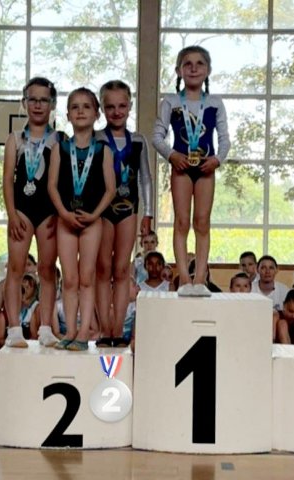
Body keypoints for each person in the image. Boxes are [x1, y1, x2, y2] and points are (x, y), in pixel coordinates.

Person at [153, 45, 230, 297]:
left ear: (208, 70)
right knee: (182, 221)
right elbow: (157, 136)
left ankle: (200, 279)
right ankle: (184, 278)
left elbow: (225, 138)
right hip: (182, 168)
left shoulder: (215, 103)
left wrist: (217, 159)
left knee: (202, 222)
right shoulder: (171, 102)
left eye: (200, 64)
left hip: (206, 168)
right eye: (188, 64)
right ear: (179, 71)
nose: (194, 68)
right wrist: (172, 155)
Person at [48, 87, 116, 351]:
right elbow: (52, 186)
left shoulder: (102, 150)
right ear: (67, 114)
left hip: (92, 221)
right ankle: (70, 330)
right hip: (65, 220)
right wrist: (64, 214)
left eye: (86, 106)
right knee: (69, 279)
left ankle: (85, 331)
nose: (80, 111)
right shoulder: (60, 148)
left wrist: (94, 215)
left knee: (87, 277)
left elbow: (110, 189)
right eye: (75, 107)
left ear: (97, 114)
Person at [95, 80, 154, 348]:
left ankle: (118, 329)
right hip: (102, 211)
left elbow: (146, 179)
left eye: (122, 106)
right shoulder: (96, 139)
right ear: (102, 108)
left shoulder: (138, 141)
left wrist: (148, 213)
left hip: (129, 209)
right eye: (110, 107)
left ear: (130, 106)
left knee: (121, 269)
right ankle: (103, 329)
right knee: (102, 269)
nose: (116, 112)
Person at [2, 77, 60, 348]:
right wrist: (12, 214)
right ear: (24, 103)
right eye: (33, 100)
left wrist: (59, 214)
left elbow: (62, 182)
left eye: (43, 100)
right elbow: (7, 180)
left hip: (49, 212)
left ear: (52, 104)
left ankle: (46, 328)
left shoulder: (59, 140)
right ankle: (14, 329)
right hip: (22, 210)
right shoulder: (14, 139)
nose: (38, 105)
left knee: (47, 270)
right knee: (15, 268)